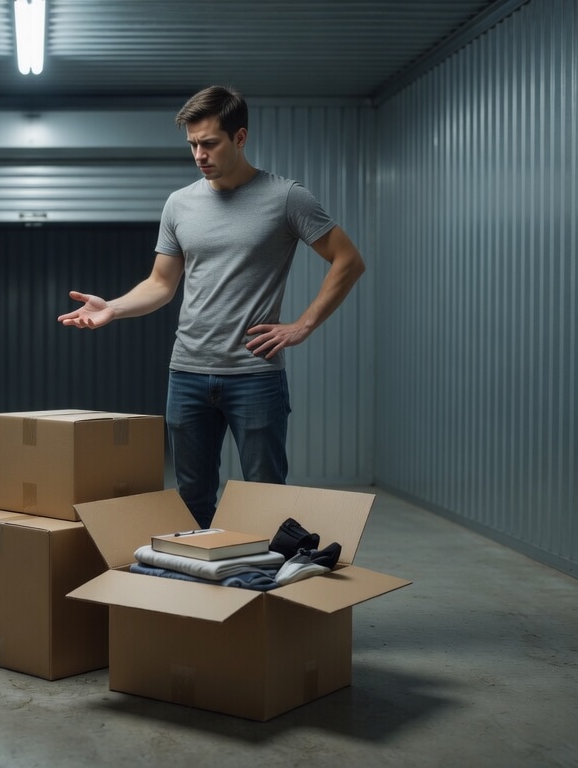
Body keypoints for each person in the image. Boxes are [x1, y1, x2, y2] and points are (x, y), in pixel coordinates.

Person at [56, 85, 366, 529]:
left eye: (209, 143)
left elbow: (349, 260)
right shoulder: (179, 204)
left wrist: (303, 325)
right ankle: (200, 592)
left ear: (240, 138)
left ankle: (261, 591)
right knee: (191, 499)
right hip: (186, 373)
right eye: (192, 145)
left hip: (255, 377)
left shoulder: (286, 198)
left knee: (265, 499)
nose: (199, 154)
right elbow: (161, 283)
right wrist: (115, 308)